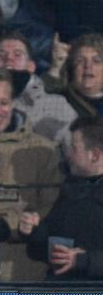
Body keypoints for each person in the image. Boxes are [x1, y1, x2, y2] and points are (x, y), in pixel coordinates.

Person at [0, 67, 61, 282]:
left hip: (28, 273)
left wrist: (14, 225)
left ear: (13, 102)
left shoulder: (45, 151)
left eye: (3, 103)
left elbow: (52, 207)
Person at [25, 117, 103, 280]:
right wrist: (34, 231)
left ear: (94, 154)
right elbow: (43, 250)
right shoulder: (68, 190)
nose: (68, 155)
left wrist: (84, 260)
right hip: (60, 294)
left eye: (74, 149)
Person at [0, 30, 77, 152]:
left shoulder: (57, 106)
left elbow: (77, 157)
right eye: (1, 55)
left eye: (17, 54)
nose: (8, 58)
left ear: (31, 66)